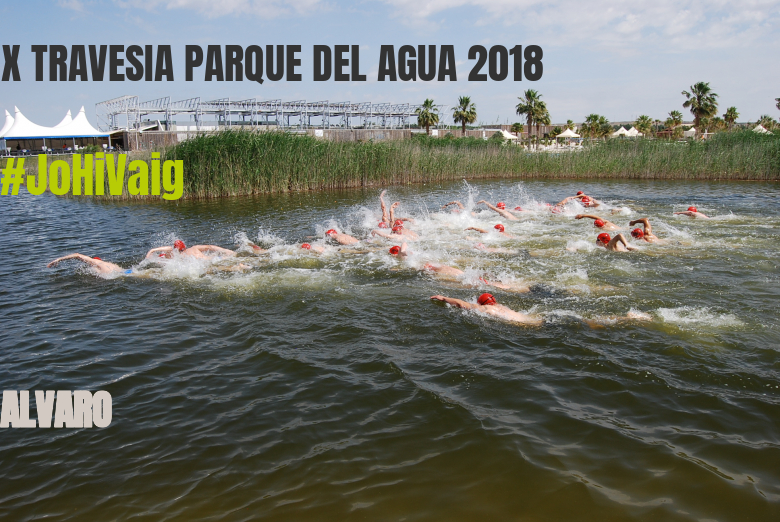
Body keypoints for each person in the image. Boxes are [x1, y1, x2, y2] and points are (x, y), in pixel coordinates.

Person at [430, 293, 543, 326]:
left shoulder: (485, 308)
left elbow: (461, 304)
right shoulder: (501, 306)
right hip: (536, 321)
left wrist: (444, 298)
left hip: (525, 327)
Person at [145, 240, 237, 259]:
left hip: (206, 264)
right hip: (214, 259)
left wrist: (152, 251)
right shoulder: (194, 248)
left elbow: (169, 248)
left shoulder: (178, 256)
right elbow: (210, 247)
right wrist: (226, 251)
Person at [47, 253, 129, 275]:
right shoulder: (110, 263)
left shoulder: (95, 262)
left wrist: (59, 259)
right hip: (126, 271)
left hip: (112, 275)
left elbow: (77, 255)